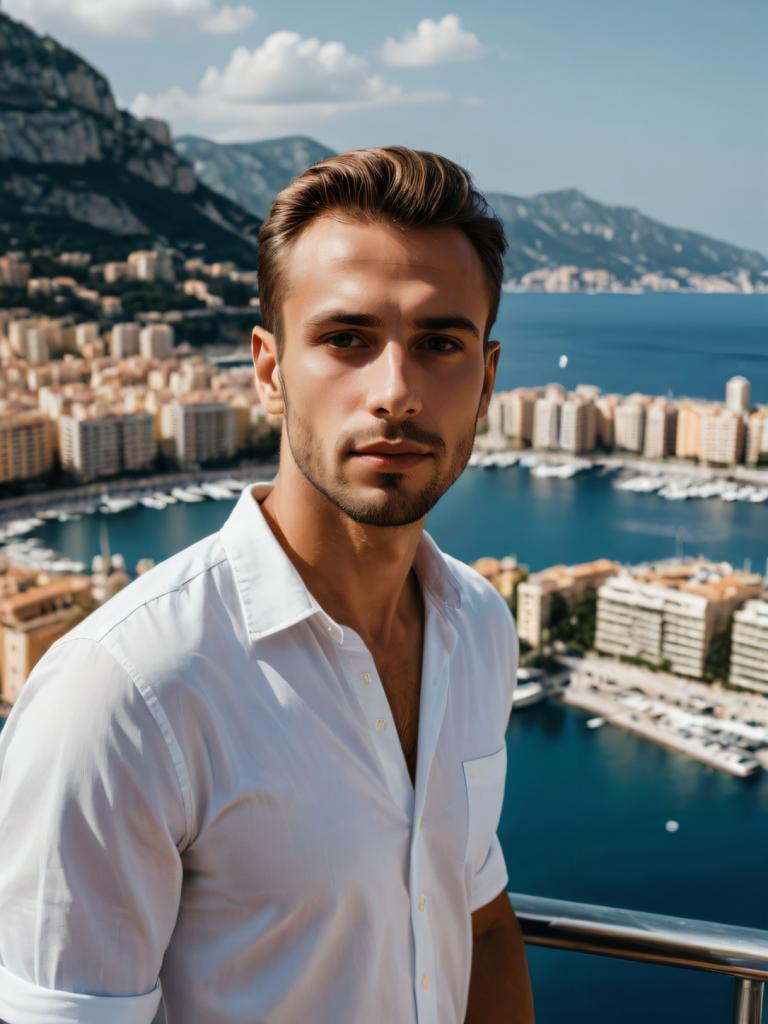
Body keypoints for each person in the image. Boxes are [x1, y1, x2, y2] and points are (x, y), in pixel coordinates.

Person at [0, 146, 534, 1024]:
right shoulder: (124, 695)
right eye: (346, 340)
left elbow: (478, 926)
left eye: (440, 343)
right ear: (269, 368)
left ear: (487, 381)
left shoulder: (477, 626)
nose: (395, 393)